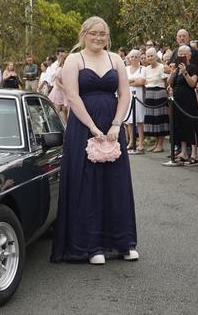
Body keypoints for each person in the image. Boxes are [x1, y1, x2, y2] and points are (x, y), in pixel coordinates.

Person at [51, 16, 138, 265]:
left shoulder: (116, 59)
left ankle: (123, 242)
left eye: (103, 33)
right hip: (83, 126)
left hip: (112, 127)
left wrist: (116, 124)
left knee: (115, 182)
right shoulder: (74, 60)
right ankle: (91, 246)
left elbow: (124, 93)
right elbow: (72, 96)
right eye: (94, 33)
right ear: (84, 34)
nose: (98, 37)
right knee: (87, 183)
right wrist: (92, 126)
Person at [168, 45, 198, 165]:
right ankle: (183, 152)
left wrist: (185, 72)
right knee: (180, 124)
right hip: (177, 99)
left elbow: (193, 83)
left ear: (189, 55)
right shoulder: (176, 69)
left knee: (190, 124)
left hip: (188, 99)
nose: (181, 56)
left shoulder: (192, 67)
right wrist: (173, 72)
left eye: (183, 54)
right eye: (179, 54)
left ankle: (193, 153)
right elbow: (170, 84)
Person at [143, 47, 169, 152]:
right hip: (149, 93)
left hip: (160, 93)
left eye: (151, 55)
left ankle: (160, 144)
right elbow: (145, 82)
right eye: (148, 56)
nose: (149, 58)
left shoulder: (162, 67)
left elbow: (166, 81)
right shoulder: (146, 69)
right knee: (152, 120)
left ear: (155, 56)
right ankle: (156, 143)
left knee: (160, 119)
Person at [124, 49, 146, 152]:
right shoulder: (126, 68)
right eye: (132, 57)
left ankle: (141, 142)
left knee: (139, 120)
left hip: (138, 96)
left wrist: (130, 82)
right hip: (127, 96)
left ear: (139, 58)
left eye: (136, 56)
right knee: (129, 120)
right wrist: (133, 81)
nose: (133, 58)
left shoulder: (143, 69)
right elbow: (123, 81)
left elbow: (141, 81)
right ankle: (131, 141)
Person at [47, 51, 68, 120]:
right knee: (56, 111)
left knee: (65, 109)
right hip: (58, 91)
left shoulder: (69, 70)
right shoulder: (59, 69)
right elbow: (57, 82)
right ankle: (51, 123)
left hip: (65, 92)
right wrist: (64, 87)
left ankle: (66, 125)